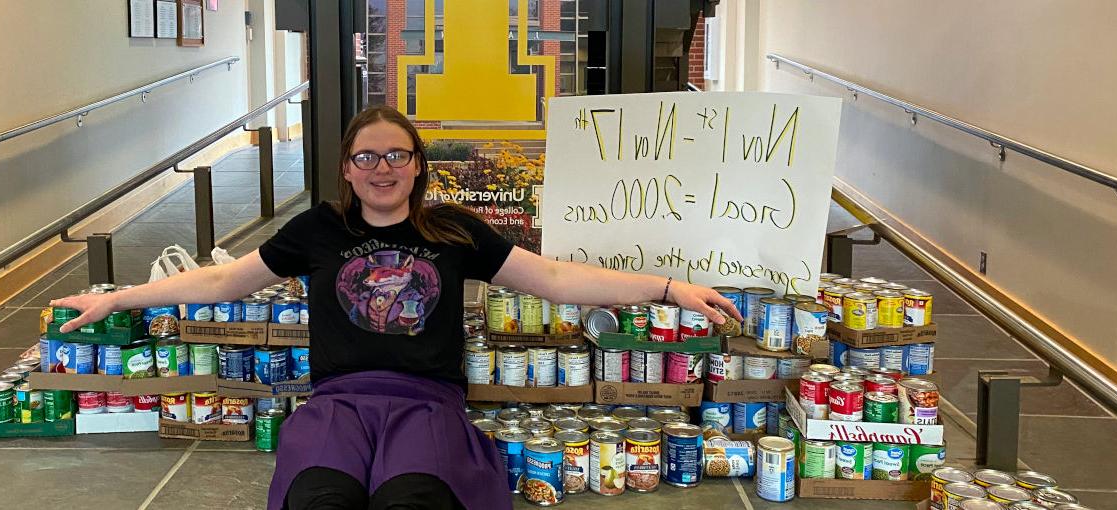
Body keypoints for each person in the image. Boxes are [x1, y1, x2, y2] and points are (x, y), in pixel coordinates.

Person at [52, 106, 742, 510]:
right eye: (367, 156)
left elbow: (556, 279)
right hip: (337, 404)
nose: (383, 168)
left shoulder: (453, 230)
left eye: (398, 155)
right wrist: (118, 297)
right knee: (321, 499)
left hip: (425, 403)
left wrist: (667, 288)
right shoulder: (318, 231)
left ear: (417, 166)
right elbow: (216, 284)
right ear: (348, 168)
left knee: (410, 502)